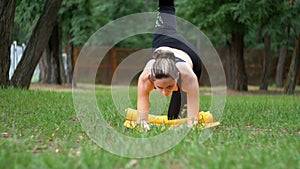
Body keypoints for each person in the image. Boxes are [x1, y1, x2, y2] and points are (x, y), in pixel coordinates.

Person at [137, 0, 202, 130]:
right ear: (152, 78)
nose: (165, 92)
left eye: (170, 86)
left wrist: (192, 122)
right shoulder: (145, 79)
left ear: (177, 76)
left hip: (189, 53)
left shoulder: (188, 77)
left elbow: (193, 121)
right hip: (164, 38)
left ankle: (177, 95)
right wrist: (143, 124)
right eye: (160, 87)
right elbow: (142, 119)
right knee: (165, 8)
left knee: (176, 118)